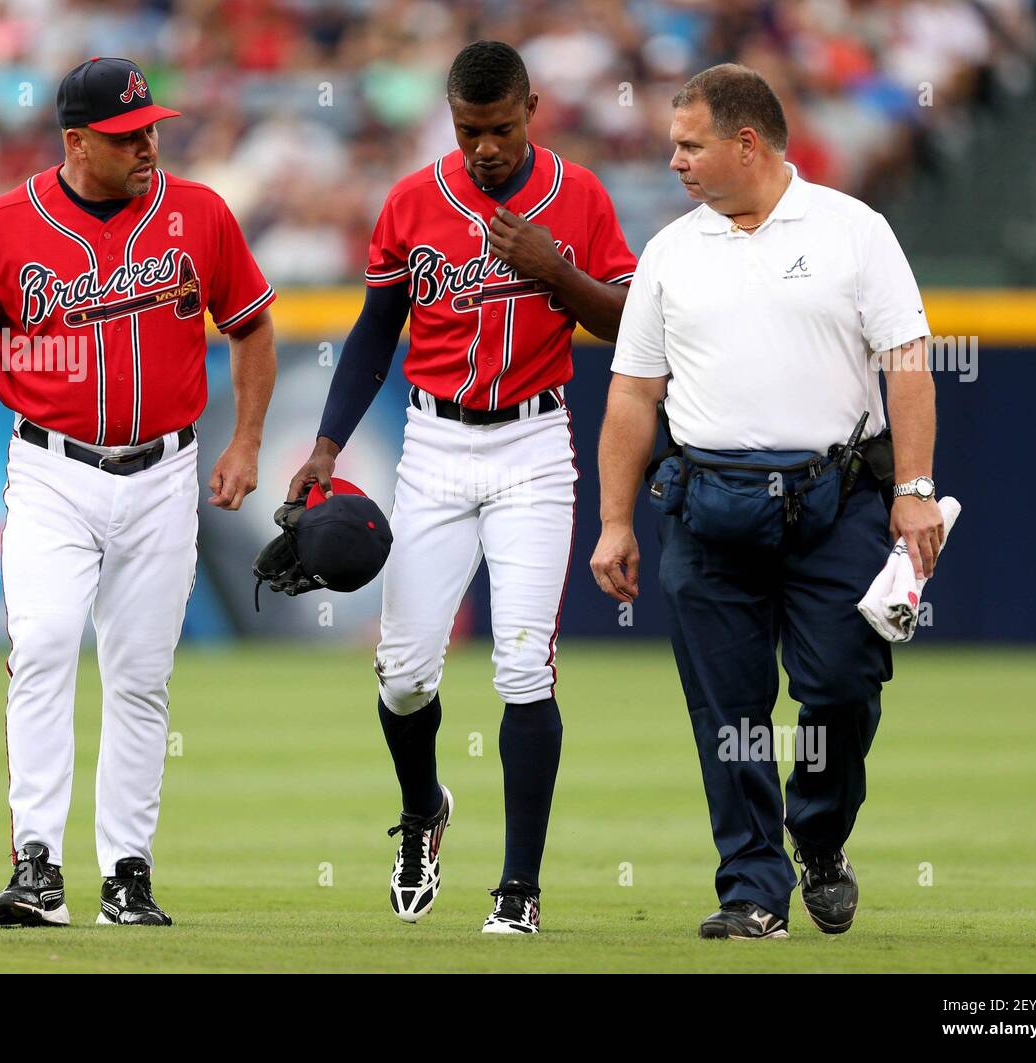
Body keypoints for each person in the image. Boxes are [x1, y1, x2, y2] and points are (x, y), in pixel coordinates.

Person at [0, 57, 278, 927]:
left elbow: (251, 327)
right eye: (125, 135)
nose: (146, 144)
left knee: (140, 677)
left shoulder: (199, 214)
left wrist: (247, 437)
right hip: (51, 470)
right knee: (44, 644)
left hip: (166, 470)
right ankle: (36, 863)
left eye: (150, 129)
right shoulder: (2, 226)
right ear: (75, 141)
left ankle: (127, 874)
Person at [287, 41, 635, 934]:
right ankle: (423, 811)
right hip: (435, 444)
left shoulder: (581, 196)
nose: (484, 146)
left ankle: (518, 889)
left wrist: (555, 268)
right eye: (469, 128)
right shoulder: (412, 200)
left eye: (501, 128)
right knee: (403, 675)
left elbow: (631, 325)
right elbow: (374, 332)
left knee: (524, 665)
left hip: (532, 442)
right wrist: (328, 446)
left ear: (532, 112)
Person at [591, 64, 943, 940]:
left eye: (689, 143)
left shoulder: (853, 230)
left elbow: (908, 362)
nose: (673, 160)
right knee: (729, 711)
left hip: (836, 503)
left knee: (842, 685)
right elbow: (633, 393)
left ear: (746, 143)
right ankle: (752, 887)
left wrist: (914, 489)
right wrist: (612, 519)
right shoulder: (671, 250)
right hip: (708, 507)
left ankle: (819, 835)